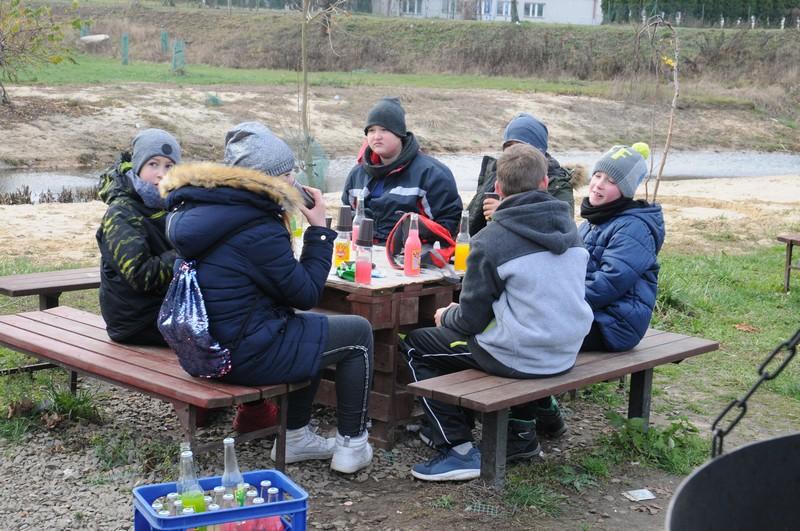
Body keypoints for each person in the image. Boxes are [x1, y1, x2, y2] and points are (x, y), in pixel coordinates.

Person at [160, 122, 374, 474]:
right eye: (288, 175)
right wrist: (319, 231)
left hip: (204, 350)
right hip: (240, 356)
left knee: (309, 329)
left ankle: (297, 436)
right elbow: (305, 293)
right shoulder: (257, 226)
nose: (294, 182)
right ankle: (353, 444)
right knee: (358, 333)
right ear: (267, 180)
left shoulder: (205, 212)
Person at [402, 144, 593, 481]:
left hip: (524, 356)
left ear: (498, 188)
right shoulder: (570, 230)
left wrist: (446, 315)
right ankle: (510, 432)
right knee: (494, 332)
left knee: (416, 343)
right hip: (566, 351)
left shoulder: (492, 240)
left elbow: (469, 321)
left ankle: (457, 448)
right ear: (545, 183)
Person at [96, 128, 181, 346]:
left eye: (169, 166)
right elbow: (140, 275)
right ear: (138, 166)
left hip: (166, 309)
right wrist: (185, 254)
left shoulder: (175, 206)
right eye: (153, 164)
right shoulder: (122, 213)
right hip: (135, 322)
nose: (161, 174)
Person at [578, 143, 665, 352]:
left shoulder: (634, 228)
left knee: (536, 332)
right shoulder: (593, 221)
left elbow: (610, 281)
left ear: (625, 190)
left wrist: (563, 303)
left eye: (611, 181)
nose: (599, 184)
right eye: (597, 175)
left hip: (615, 324)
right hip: (589, 311)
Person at [341, 97, 463, 242]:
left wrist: (405, 244)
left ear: (399, 133)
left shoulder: (432, 173)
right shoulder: (356, 174)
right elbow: (346, 221)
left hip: (412, 252)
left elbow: (447, 226)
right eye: (371, 130)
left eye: (384, 130)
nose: (377, 137)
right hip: (363, 249)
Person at [467, 112, 576, 236]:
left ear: (538, 150)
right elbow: (469, 220)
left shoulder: (557, 184)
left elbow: (561, 229)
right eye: (509, 146)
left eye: (521, 146)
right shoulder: (495, 174)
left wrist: (503, 212)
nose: (515, 151)